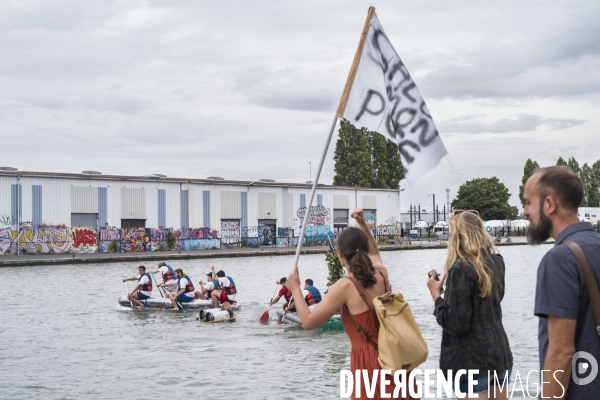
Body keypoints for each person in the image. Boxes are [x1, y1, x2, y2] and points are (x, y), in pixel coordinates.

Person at [286, 209, 413, 399]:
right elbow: (375, 252)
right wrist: (362, 223)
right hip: (396, 357)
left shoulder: (345, 286)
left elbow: (308, 322)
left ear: (340, 255)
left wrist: (295, 289)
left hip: (369, 363)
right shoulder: (382, 274)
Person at [524, 166, 600, 399]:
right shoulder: (595, 245)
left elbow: (562, 353)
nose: (525, 211)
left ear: (549, 204)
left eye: (528, 202)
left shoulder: (560, 260)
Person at [427, 210, 512, 399]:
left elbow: (457, 324)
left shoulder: (460, 269)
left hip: (472, 361)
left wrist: (436, 297)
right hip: (499, 353)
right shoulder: (497, 261)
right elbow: (494, 300)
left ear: (457, 236)